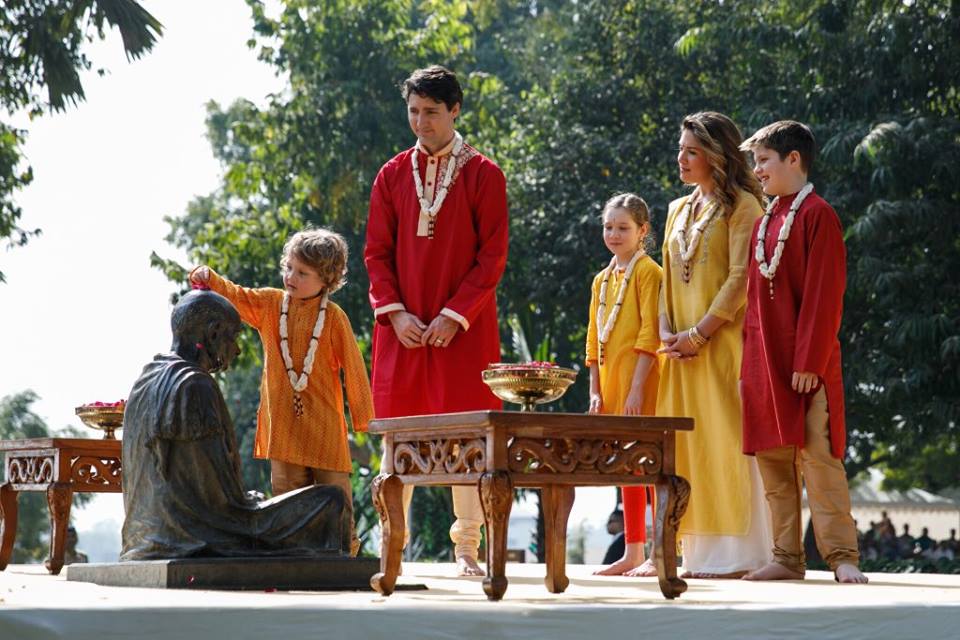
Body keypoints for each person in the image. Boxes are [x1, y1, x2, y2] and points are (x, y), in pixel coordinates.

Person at [364, 65, 508, 576]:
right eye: (413, 111)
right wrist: (395, 313)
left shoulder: (485, 174)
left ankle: (467, 549)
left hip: (463, 332)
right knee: (398, 436)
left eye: (431, 112)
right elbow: (376, 254)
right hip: (402, 330)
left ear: (455, 110)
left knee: (467, 435)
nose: (420, 122)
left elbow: (492, 257)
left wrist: (454, 315)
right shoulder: (391, 175)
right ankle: (392, 547)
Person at [121, 290, 352, 560]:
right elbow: (219, 502)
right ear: (213, 333)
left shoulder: (144, 380)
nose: (237, 349)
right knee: (330, 501)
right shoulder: (194, 384)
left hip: (141, 537)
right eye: (233, 337)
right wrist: (249, 501)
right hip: (197, 534)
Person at [190, 228, 373, 555]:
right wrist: (211, 278)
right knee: (287, 498)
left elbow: (355, 369)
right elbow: (238, 296)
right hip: (284, 428)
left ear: (326, 279)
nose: (291, 277)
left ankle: (346, 556)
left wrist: (365, 419)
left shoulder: (334, 318)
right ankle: (292, 558)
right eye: (288, 267)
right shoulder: (271, 304)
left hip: (325, 429)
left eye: (302, 273)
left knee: (336, 496)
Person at [739, 120, 867, 583]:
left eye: (764, 160)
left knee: (818, 457)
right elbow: (754, 303)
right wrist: (750, 366)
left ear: (793, 159)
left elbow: (824, 294)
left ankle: (842, 556)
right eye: (755, 162)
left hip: (807, 364)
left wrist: (810, 361)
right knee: (774, 460)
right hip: (765, 362)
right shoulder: (764, 222)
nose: (757, 170)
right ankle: (787, 557)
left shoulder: (818, 214)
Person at [656, 111, 773, 578]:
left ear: (717, 155)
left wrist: (698, 334)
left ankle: (739, 555)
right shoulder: (676, 209)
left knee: (727, 440)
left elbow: (740, 278)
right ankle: (698, 554)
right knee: (687, 447)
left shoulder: (744, 206)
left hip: (722, 346)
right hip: (678, 352)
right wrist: (667, 332)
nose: (681, 158)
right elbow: (666, 279)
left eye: (692, 151)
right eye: (680, 149)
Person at [585, 193, 662, 577]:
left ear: (642, 231)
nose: (614, 234)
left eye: (623, 228)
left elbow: (650, 332)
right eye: (608, 227)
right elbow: (593, 340)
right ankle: (632, 551)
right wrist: (595, 390)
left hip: (642, 385)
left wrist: (635, 389)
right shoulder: (601, 280)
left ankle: (660, 553)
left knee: (651, 466)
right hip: (612, 385)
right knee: (625, 467)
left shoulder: (649, 272)